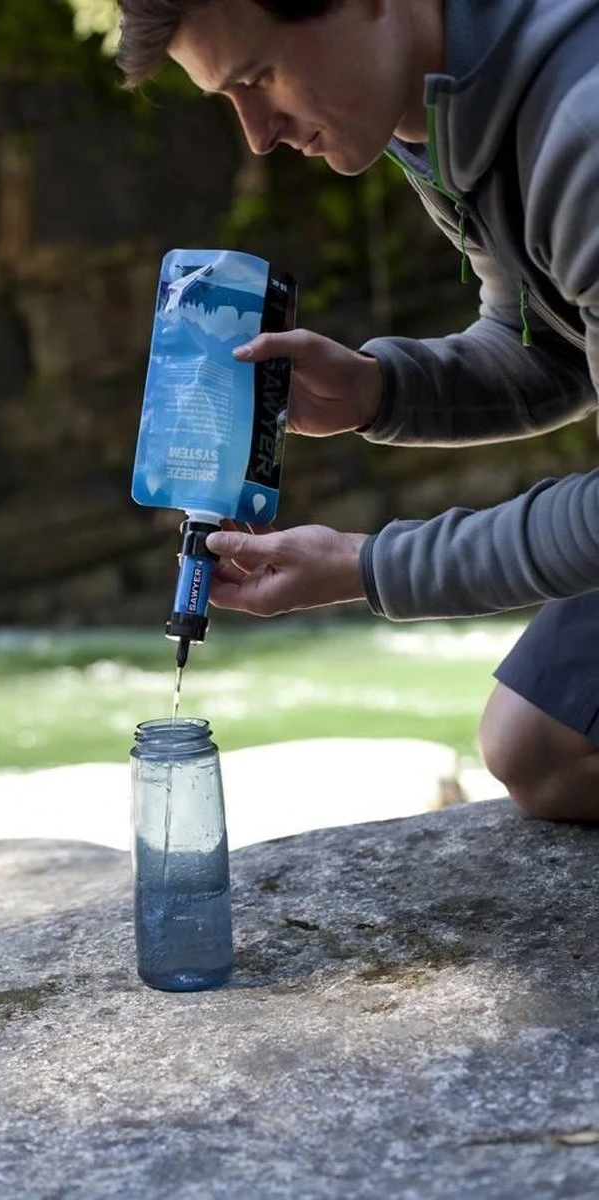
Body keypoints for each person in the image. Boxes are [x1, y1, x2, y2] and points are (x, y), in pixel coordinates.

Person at [115, 0, 599, 822]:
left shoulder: (580, 130)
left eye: (260, 77)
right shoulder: (438, 116)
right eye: (229, 97)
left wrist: (366, 566)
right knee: (539, 748)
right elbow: (550, 343)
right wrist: (381, 390)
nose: (257, 135)